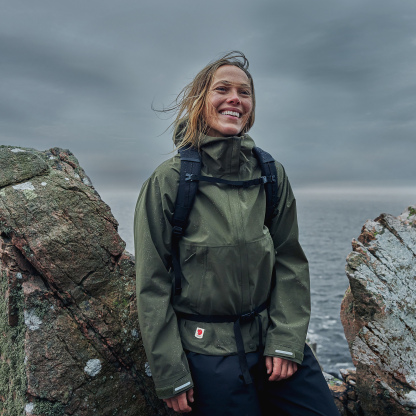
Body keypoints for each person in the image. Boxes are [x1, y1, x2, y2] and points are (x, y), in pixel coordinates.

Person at [134, 51, 340, 416]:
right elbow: (152, 283)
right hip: (209, 354)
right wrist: (171, 373)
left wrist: (286, 340)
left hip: (271, 342)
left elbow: (290, 259)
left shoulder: (270, 174)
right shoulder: (170, 180)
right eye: (223, 89)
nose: (235, 99)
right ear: (200, 100)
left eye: (244, 93)